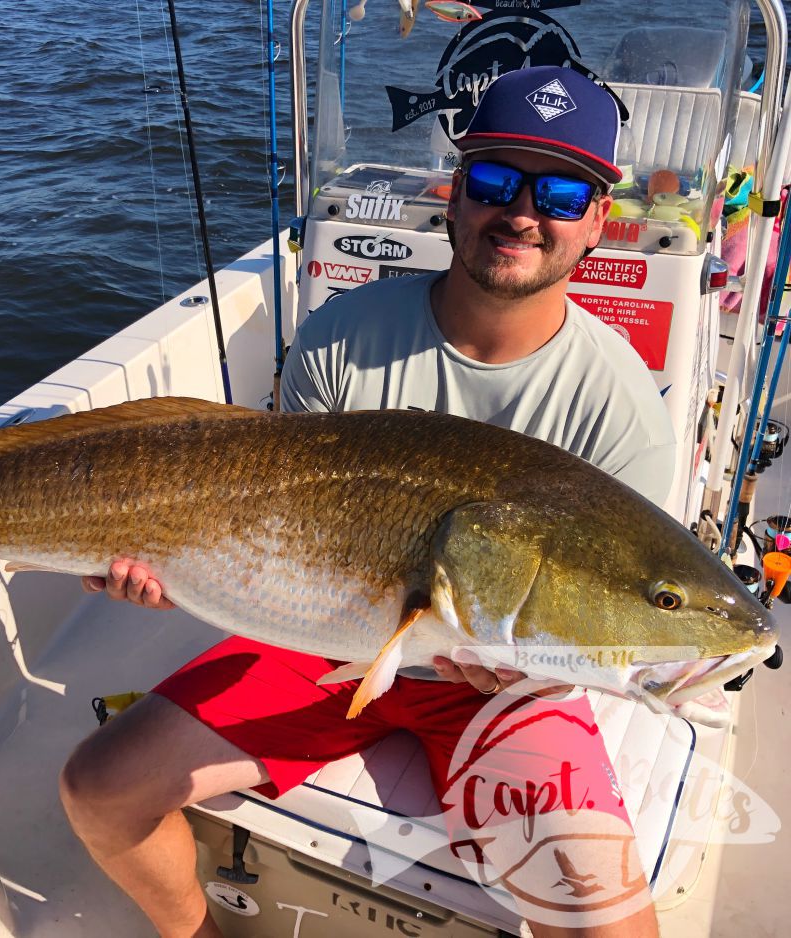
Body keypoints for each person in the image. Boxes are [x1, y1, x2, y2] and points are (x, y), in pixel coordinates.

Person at [60, 66, 676, 938]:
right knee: (98, 787)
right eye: (497, 180)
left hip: (504, 686)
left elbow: (613, 624)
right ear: (456, 195)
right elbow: (273, 517)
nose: (523, 213)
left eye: (563, 192)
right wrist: (175, 566)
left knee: (613, 923)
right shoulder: (341, 335)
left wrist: (530, 665)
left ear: (598, 220)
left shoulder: (623, 411)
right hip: (323, 632)